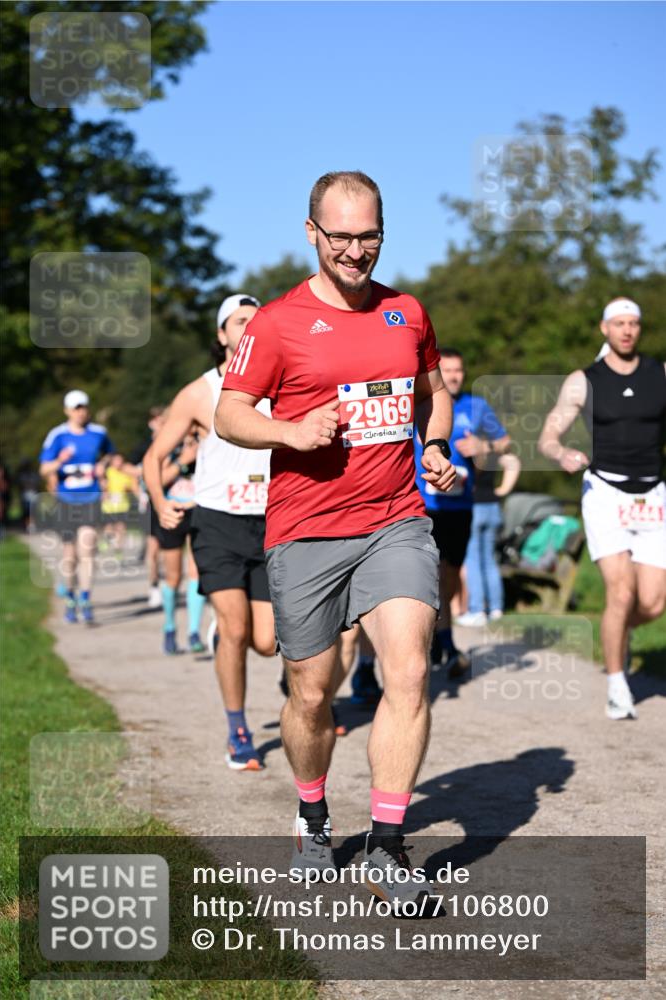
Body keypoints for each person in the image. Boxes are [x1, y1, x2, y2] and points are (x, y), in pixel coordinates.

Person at [216, 171, 456, 906]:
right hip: (306, 529)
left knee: (408, 671)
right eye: (341, 236)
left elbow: (433, 392)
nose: (356, 250)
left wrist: (435, 445)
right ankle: (313, 817)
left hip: (395, 520)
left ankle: (386, 844)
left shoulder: (406, 312)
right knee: (312, 693)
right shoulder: (277, 322)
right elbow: (230, 413)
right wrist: (290, 430)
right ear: (311, 232)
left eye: (369, 235)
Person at [143, 293, 276, 770]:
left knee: (267, 642)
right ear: (222, 335)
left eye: (256, 321)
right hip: (217, 521)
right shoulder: (200, 392)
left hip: (271, 521)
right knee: (236, 630)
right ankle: (238, 731)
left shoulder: (281, 384)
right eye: (240, 322)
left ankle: (227, 632)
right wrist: (161, 502)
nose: (249, 328)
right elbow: (154, 457)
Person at [539, 297, 666, 720]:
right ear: (605, 329)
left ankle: (616, 635)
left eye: (634, 324)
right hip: (605, 492)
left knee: (653, 603)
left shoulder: (659, 373)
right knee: (621, 591)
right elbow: (549, 435)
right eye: (619, 323)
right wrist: (561, 452)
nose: (627, 330)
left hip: (653, 494)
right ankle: (616, 684)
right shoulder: (583, 380)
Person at [407, 349, 510, 679]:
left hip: (461, 505)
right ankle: (441, 642)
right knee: (431, 573)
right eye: (447, 370)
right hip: (424, 505)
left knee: (450, 575)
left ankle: (440, 636)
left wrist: (483, 448)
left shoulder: (476, 406)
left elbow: (505, 443)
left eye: (458, 371)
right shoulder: (419, 402)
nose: (453, 376)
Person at [38, 390, 114, 623]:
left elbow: (111, 455)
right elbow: (44, 469)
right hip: (66, 501)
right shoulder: (57, 436)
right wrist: (60, 461)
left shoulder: (98, 433)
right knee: (70, 555)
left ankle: (86, 598)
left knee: (87, 549)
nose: (80, 412)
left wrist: (103, 465)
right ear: (67, 411)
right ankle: (70, 596)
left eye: (83, 407)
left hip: (90, 499)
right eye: (76, 408)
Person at [148, 432, 206, 654]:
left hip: (198, 512)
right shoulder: (169, 445)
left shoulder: (206, 442)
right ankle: (170, 627)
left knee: (196, 573)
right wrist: (183, 460)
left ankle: (194, 632)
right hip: (172, 513)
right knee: (173, 577)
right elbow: (158, 480)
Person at [456, 446, 522, 626]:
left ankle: (477, 610)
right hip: (493, 507)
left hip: (473, 507)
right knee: (489, 560)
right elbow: (513, 462)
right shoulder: (493, 446)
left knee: (473, 560)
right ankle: (496, 609)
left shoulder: (466, 446)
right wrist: (503, 489)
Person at [127, 406, 167, 609]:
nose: (161, 424)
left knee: (170, 551)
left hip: (172, 499)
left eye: (164, 420)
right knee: (153, 550)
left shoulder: (174, 442)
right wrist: (144, 476)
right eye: (158, 420)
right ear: (151, 423)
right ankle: (154, 587)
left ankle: (170, 587)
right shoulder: (144, 446)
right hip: (151, 502)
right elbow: (125, 466)